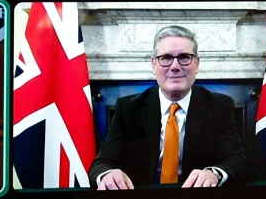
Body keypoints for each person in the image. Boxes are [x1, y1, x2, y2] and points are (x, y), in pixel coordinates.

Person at [89, 26, 247, 189]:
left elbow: (236, 160)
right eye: (166, 58)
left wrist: (214, 174)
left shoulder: (219, 106)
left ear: (197, 64)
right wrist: (107, 175)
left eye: (184, 57)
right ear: (153, 64)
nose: (175, 66)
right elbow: (102, 164)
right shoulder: (128, 109)